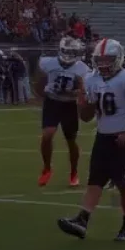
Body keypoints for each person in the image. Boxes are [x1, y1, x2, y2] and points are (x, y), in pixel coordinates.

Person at [58, 38, 125, 242]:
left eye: (108, 59)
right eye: (99, 60)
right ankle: (82, 220)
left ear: (118, 58)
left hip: (123, 138)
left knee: (123, 183)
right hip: (102, 137)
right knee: (95, 180)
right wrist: (85, 101)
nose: (103, 64)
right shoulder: (91, 79)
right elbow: (85, 117)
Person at [34, 36, 89, 187]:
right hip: (52, 102)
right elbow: (38, 85)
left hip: (69, 105)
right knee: (47, 135)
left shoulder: (82, 69)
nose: (68, 56)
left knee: (71, 141)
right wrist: (43, 91)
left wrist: (75, 93)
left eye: (71, 52)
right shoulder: (48, 63)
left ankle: (74, 172)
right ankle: (46, 169)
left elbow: (83, 91)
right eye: (66, 51)